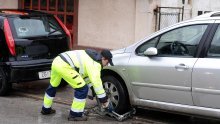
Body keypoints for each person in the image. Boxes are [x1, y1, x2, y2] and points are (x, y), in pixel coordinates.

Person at [40, 49, 114, 121]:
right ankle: (75, 115)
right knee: (82, 89)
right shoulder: (95, 64)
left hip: (57, 61)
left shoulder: (91, 56)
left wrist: (93, 89)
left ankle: (46, 109)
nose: (107, 64)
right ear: (104, 58)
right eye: (107, 62)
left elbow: (86, 78)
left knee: (53, 86)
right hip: (65, 66)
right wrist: (104, 100)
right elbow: (97, 83)